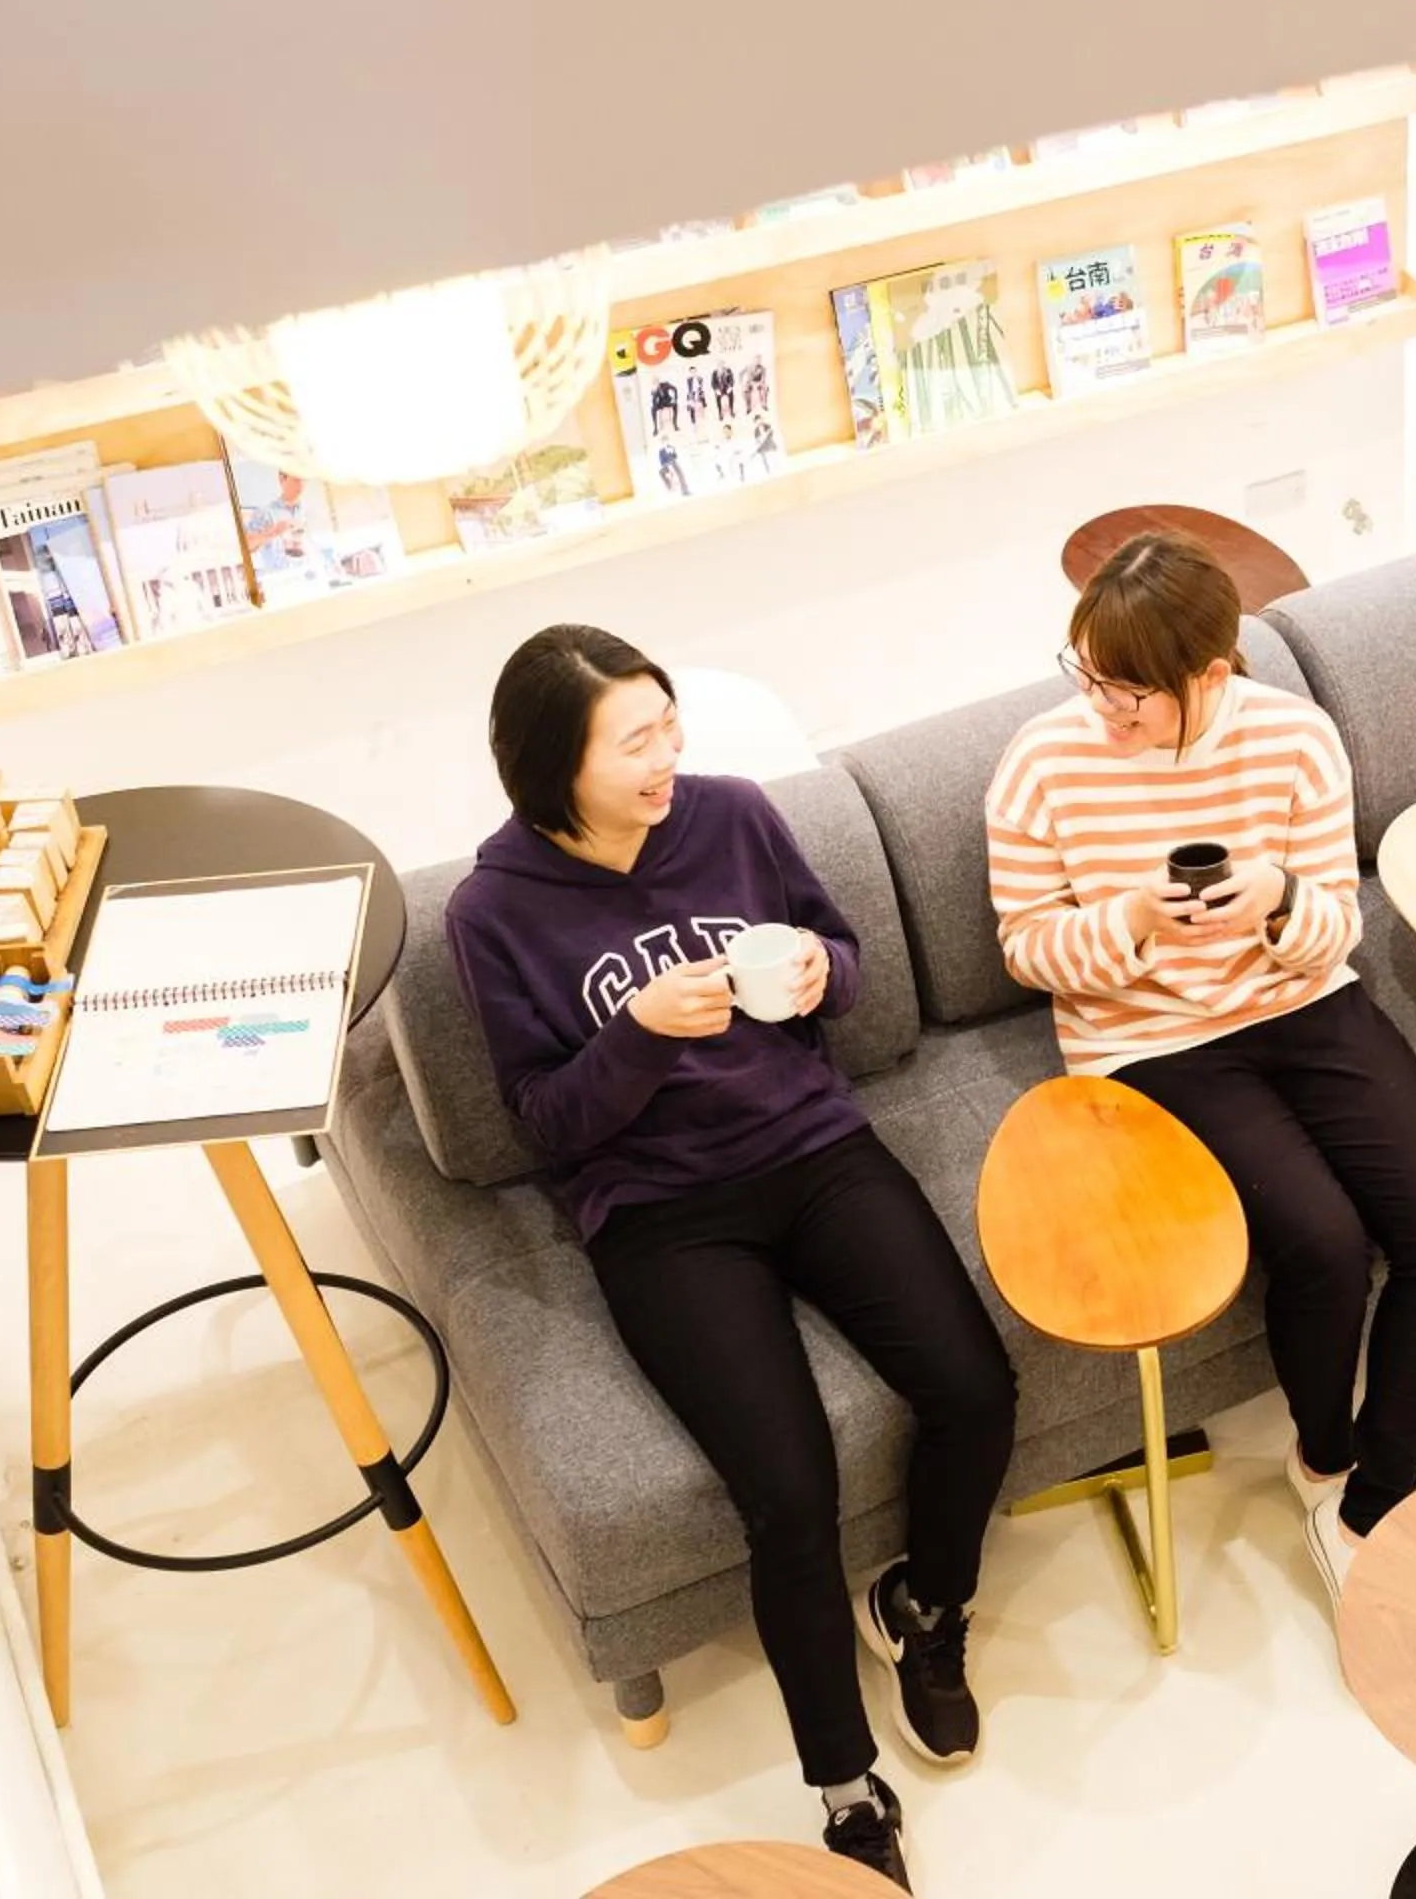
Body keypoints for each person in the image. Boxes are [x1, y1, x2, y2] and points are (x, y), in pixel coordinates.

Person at [448, 624, 1014, 1889]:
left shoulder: (734, 816)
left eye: (669, 724)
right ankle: (844, 1785)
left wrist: (823, 970)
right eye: (635, 740)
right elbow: (542, 1120)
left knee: (975, 1386)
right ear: (554, 764)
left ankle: (926, 1608)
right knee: (789, 1492)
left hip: (812, 1149)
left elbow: (844, 958)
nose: (670, 758)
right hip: (660, 1214)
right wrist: (641, 1035)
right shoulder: (493, 911)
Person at [985, 535, 1416, 1607]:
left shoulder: (1294, 740)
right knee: (1322, 1236)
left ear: (1209, 674)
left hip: (1301, 1001)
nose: (1105, 710)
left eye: (1130, 695)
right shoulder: (1042, 761)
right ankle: (1323, 1446)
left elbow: (1337, 925)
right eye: (1092, 680)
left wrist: (1278, 903)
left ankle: (1374, 1501)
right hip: (1147, 1039)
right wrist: (1125, 921)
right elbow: (1026, 946)